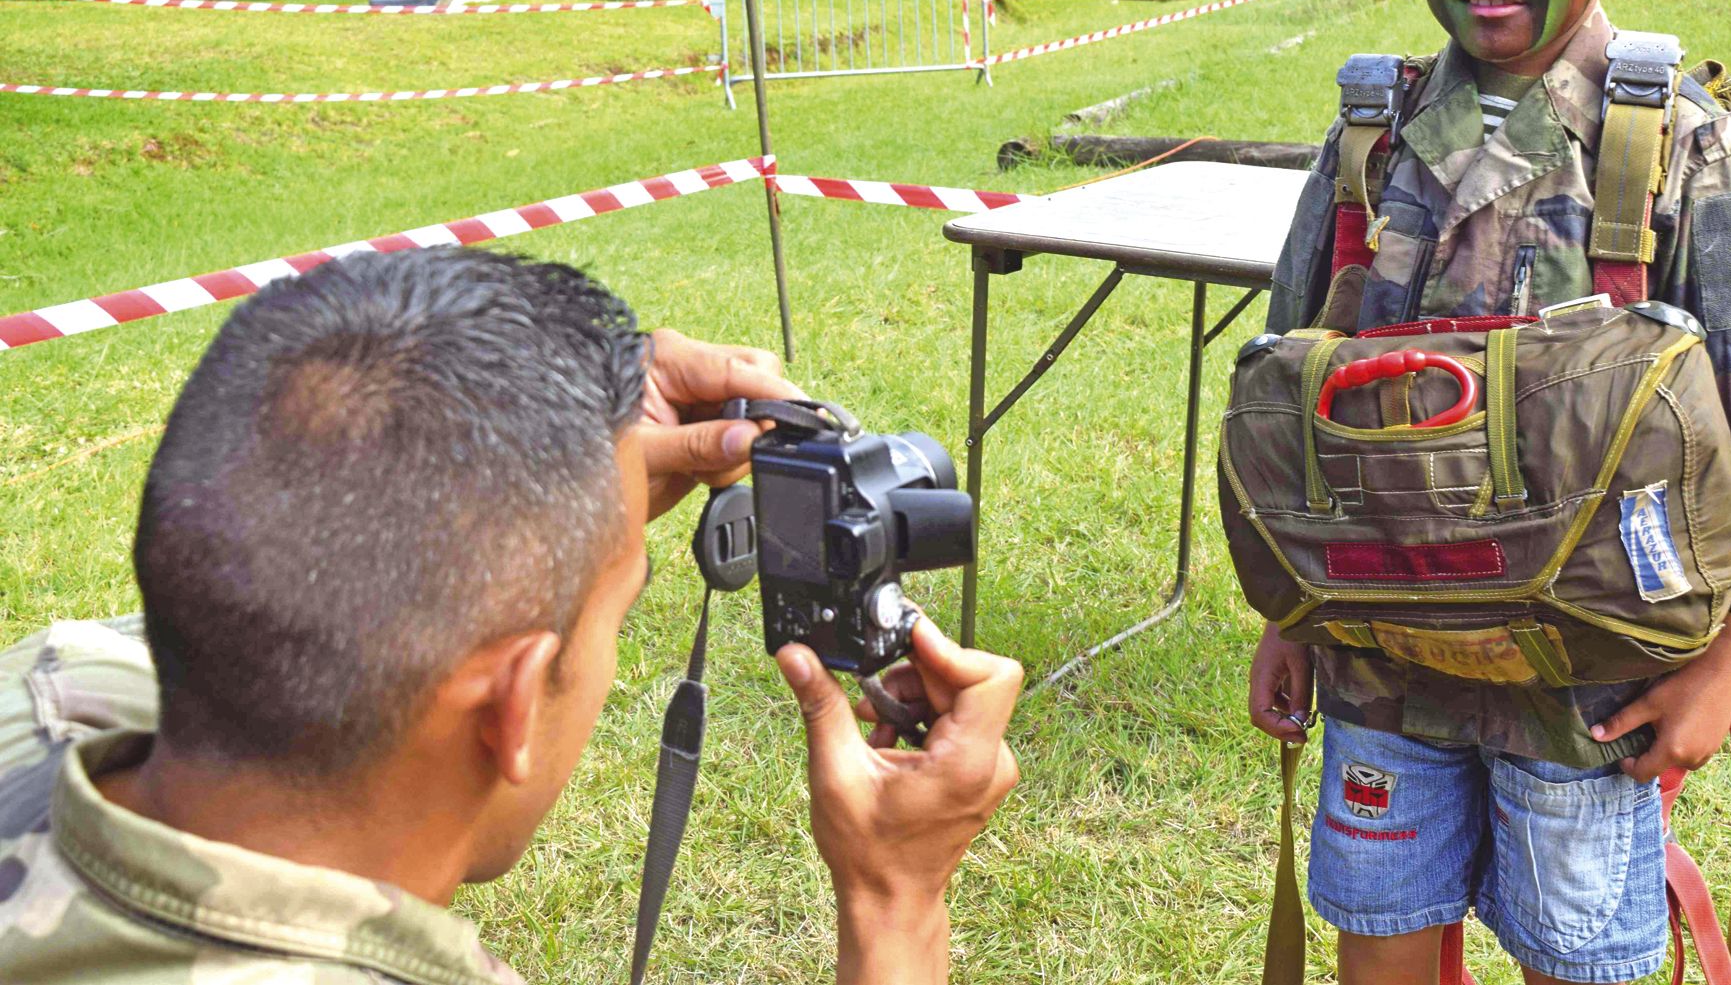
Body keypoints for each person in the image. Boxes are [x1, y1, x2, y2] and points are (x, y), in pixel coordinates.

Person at [0, 248, 1022, 983]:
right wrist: (895, 900)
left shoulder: (44, 689)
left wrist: (585, 483)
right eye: (616, 614)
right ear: (514, 703)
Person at [1255, 0, 1731, 985]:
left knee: (1581, 960)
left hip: (1588, 687)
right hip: (1380, 659)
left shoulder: (1677, 139)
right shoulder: (1373, 135)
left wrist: (1729, 659)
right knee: (1381, 940)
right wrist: (1288, 612)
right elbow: (1291, 379)